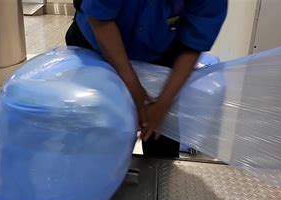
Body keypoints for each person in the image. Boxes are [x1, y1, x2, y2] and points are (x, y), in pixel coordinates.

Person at [65, 0, 227, 158]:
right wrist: (132, 86)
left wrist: (163, 103)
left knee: (161, 134)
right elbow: (100, 17)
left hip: (161, 49)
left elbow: (194, 43)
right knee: (92, 126)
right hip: (97, 44)